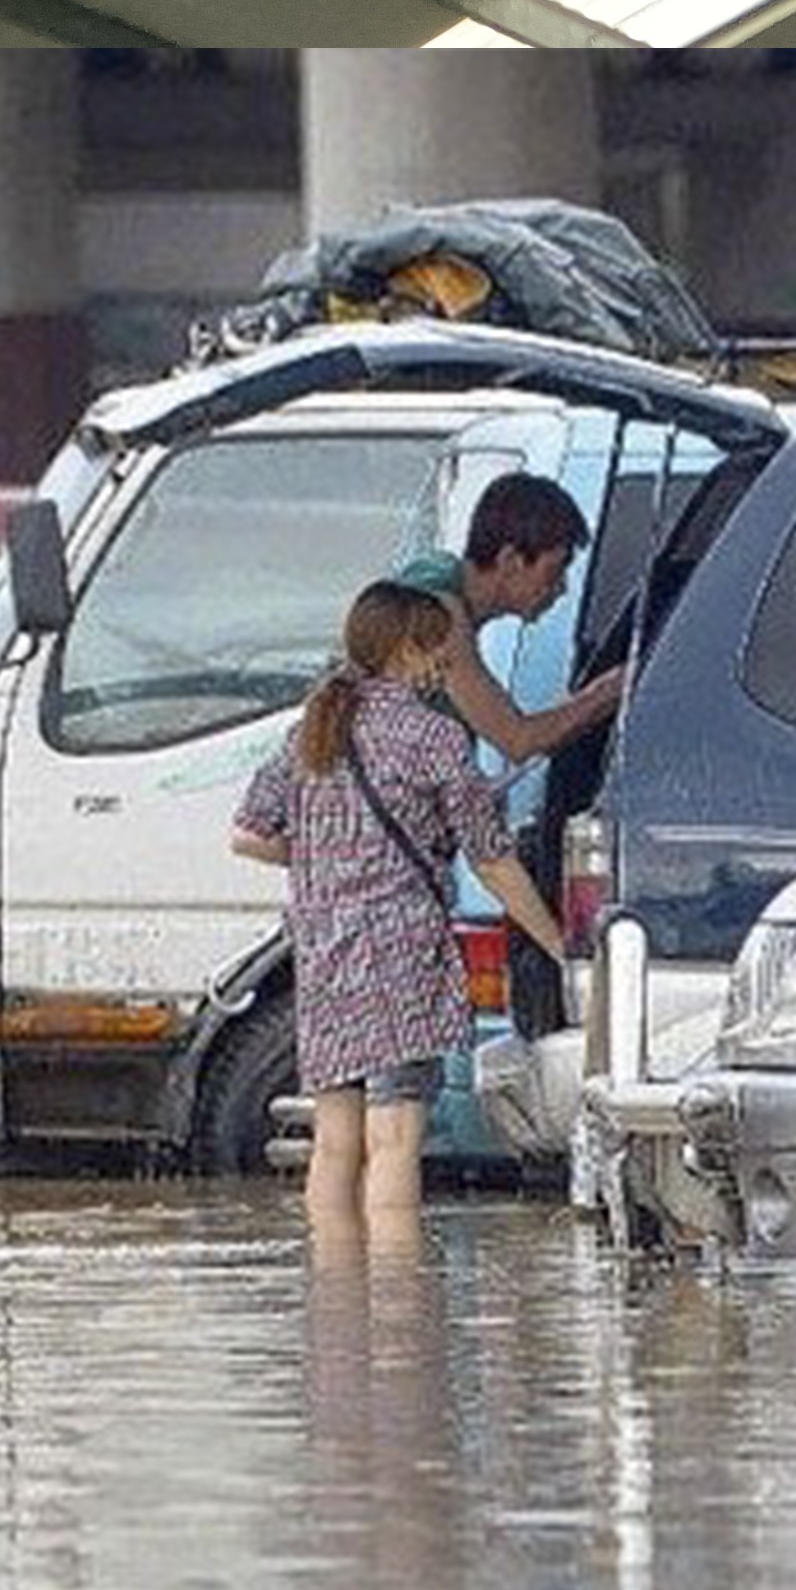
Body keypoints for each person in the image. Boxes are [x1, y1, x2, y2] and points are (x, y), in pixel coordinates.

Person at [232, 579, 563, 1253]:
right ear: (408, 648)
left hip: (325, 957)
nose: (450, 655)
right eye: (440, 643)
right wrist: (557, 941)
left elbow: (247, 833)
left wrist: (329, 859)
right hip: (403, 959)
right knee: (395, 1143)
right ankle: (398, 1316)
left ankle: (339, 1311)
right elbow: (492, 857)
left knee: (334, 1144)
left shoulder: (311, 730)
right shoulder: (434, 736)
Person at [390, 471, 627, 773]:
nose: (562, 587)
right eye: (555, 570)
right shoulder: (439, 616)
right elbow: (517, 740)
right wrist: (611, 688)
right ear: (511, 561)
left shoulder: (437, 573)